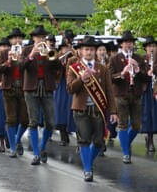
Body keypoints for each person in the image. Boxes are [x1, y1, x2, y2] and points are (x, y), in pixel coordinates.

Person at [67, 36, 117, 181]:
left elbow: (109, 91)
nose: (89, 52)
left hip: (97, 109)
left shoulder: (102, 69)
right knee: (84, 140)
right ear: (81, 51)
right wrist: (81, 79)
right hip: (81, 109)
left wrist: (113, 111)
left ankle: (88, 162)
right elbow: (70, 89)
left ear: (95, 52)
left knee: (99, 142)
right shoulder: (74, 68)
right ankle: (88, 170)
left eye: (91, 49)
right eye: (86, 49)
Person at [21, 25, 62, 165]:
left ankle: (42, 146)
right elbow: (21, 66)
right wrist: (31, 55)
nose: (41, 39)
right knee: (33, 121)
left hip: (47, 88)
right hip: (31, 88)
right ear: (33, 38)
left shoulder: (50, 51)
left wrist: (52, 55)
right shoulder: (26, 50)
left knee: (50, 122)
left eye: (43, 37)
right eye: (39, 37)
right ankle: (36, 154)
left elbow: (59, 68)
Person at [108, 31, 150, 163]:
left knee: (137, 126)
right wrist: (122, 72)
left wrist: (138, 70)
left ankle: (125, 144)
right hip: (121, 94)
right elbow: (110, 77)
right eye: (126, 43)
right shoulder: (114, 59)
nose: (129, 45)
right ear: (121, 45)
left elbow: (146, 78)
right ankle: (126, 153)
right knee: (123, 124)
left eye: (131, 42)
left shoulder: (139, 58)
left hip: (136, 94)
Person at [0, 28, 29, 157]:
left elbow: (30, 68)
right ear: (10, 41)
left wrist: (24, 58)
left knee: (25, 119)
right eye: (14, 38)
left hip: (23, 87)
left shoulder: (26, 52)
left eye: (19, 38)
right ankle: (13, 148)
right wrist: (8, 62)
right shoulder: (4, 53)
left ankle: (16, 139)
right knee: (11, 119)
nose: (17, 40)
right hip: (8, 88)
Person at [141, 36, 156, 152]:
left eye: (154, 46)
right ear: (145, 48)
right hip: (147, 91)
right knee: (148, 114)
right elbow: (139, 75)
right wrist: (147, 73)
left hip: (156, 90)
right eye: (149, 46)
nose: (152, 48)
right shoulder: (142, 60)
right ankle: (149, 139)